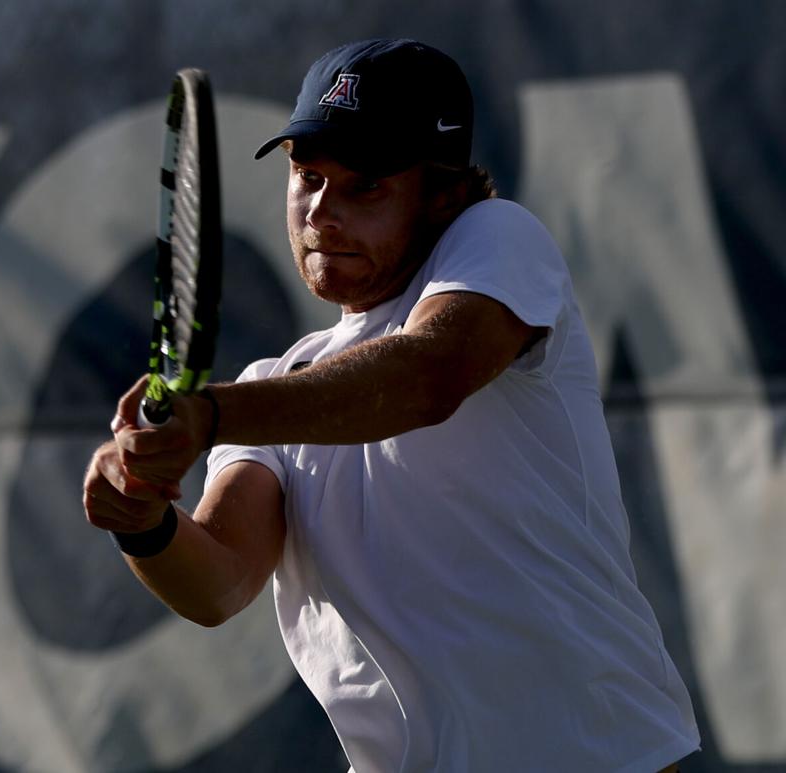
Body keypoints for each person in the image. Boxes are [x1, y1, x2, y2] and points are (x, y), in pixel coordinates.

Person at [82, 38, 700, 772]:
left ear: (443, 194)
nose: (322, 212)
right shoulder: (276, 385)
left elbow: (430, 373)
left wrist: (212, 415)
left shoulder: (500, 239)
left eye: (365, 185)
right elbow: (220, 581)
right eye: (308, 176)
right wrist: (142, 521)